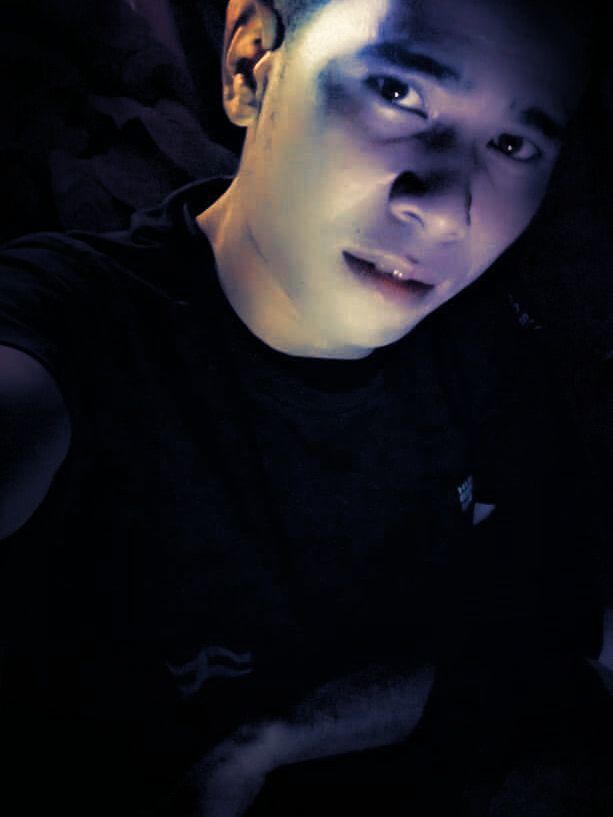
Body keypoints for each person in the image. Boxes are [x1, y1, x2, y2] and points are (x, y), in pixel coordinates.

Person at [1, 0, 611, 815]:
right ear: (248, 65)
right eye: (396, 93)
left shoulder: (488, 348)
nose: (445, 208)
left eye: (510, 145)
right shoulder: (69, 337)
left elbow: (536, 635)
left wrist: (279, 741)